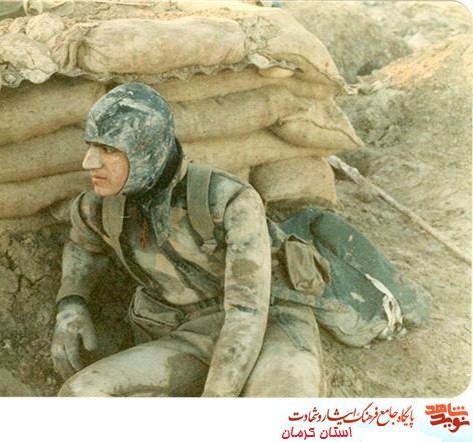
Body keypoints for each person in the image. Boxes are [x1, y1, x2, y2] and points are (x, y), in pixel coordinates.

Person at [51, 82, 323, 397]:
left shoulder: (228, 200)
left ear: (145, 150)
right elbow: (83, 247)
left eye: (108, 150)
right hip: (188, 332)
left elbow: (247, 311)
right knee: (82, 393)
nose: (89, 162)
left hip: (271, 323)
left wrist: (216, 398)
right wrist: (71, 304)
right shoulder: (97, 208)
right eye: (91, 146)